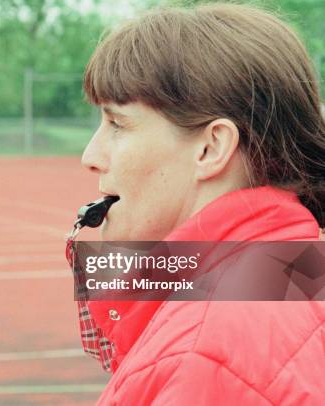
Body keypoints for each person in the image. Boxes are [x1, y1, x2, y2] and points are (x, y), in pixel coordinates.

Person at [75, 4, 324, 404]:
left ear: (211, 147)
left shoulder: (199, 352)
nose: (91, 155)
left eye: (118, 124)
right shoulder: (303, 264)